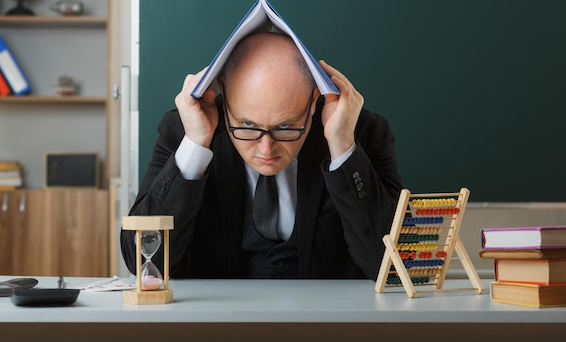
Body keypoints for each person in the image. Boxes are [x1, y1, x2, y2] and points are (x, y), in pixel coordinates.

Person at [120, 31, 402, 280]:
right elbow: (140, 261)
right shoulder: (184, 131)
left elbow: (391, 266)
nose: (266, 149)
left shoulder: (361, 133)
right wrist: (195, 146)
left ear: (314, 102)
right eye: (247, 126)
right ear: (224, 100)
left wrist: (342, 148)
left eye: (286, 127)